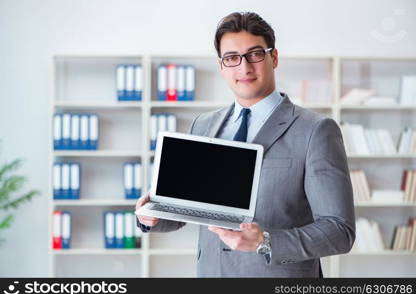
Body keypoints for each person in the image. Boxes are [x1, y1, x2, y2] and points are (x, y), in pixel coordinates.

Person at [136, 11, 355, 278]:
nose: (244, 68)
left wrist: (266, 240)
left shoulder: (315, 130)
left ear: (274, 57)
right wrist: (153, 217)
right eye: (232, 58)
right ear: (222, 66)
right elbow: (192, 212)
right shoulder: (203, 125)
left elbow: (339, 230)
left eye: (255, 54)